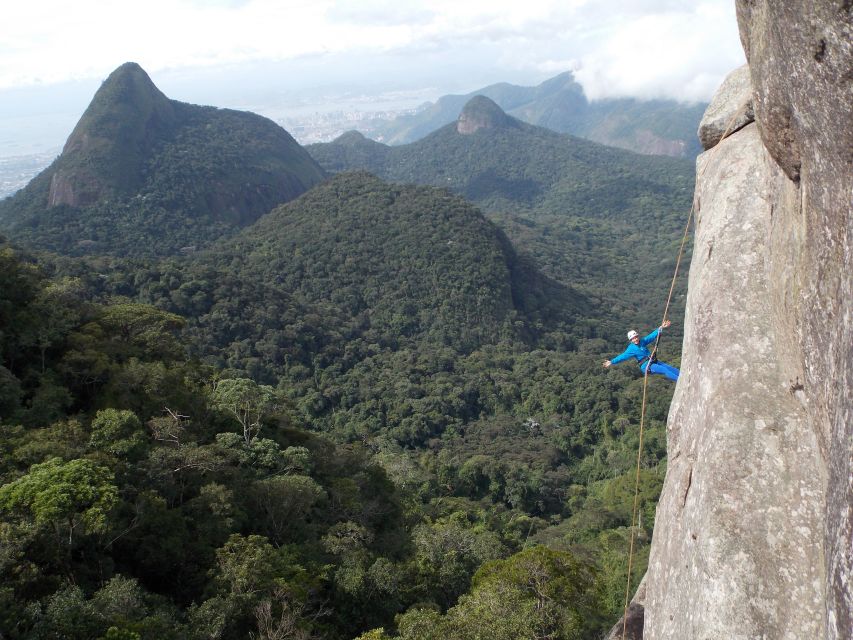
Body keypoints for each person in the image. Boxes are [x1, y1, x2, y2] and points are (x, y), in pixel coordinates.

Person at [603, 319, 679, 381]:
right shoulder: (631, 349)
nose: (635, 339)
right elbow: (623, 356)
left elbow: (651, 336)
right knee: (664, 370)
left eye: (636, 337)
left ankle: (682, 375)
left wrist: (661, 327)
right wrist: (612, 361)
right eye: (633, 339)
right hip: (646, 366)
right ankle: (680, 380)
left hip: (652, 361)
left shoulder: (642, 341)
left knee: (669, 367)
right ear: (631, 340)